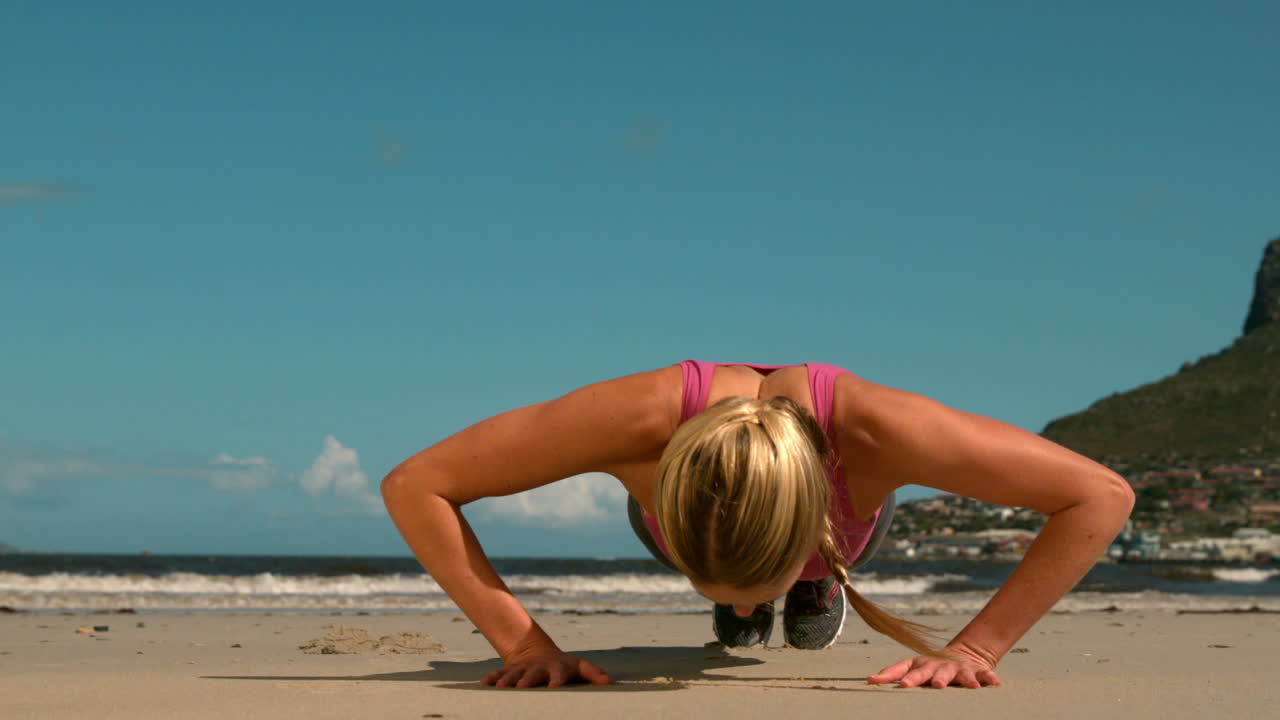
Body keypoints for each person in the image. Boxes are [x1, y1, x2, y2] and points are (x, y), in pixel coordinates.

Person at [381, 360, 1134, 689]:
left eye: (753, 587)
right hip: (681, 504)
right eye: (725, 589)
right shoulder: (632, 422)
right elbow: (417, 485)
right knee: (738, 601)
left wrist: (976, 648)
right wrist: (524, 644)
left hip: (847, 520)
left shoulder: (880, 431)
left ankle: (815, 587)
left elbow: (1100, 496)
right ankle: (742, 570)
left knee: (794, 579)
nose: (745, 607)